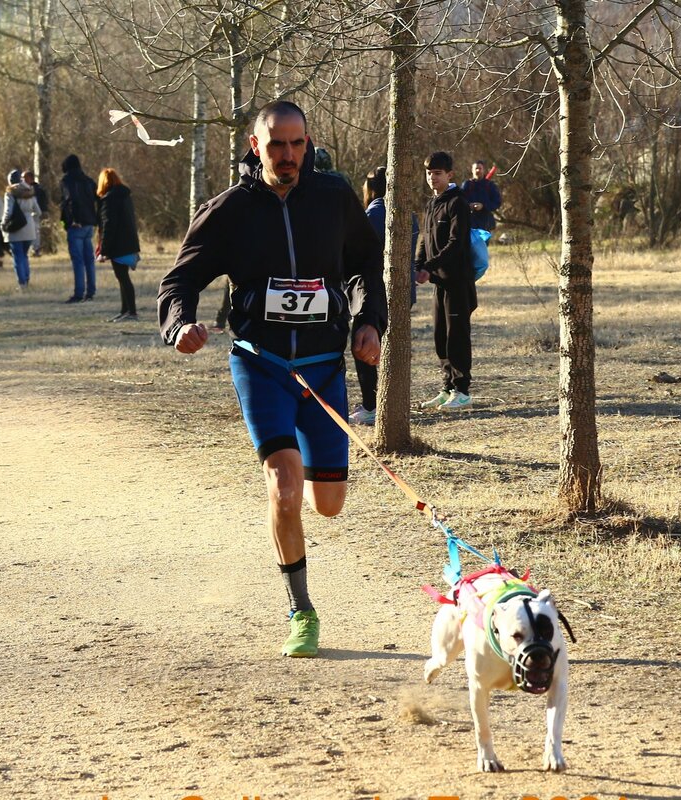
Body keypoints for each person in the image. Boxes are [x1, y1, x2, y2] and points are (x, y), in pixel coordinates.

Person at [157, 100, 386, 658]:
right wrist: (180, 324)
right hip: (261, 365)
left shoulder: (333, 197)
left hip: (323, 368)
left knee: (327, 503)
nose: (288, 155)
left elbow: (364, 266)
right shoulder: (229, 210)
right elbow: (179, 281)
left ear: (308, 144)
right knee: (284, 489)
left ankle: (301, 481)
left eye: (297, 143)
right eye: (277, 144)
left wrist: (369, 321)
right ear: (255, 145)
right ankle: (301, 611)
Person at [348, 166, 419, 425]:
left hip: (376, 293)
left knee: (363, 346)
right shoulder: (408, 214)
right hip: (404, 290)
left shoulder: (373, 213)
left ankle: (371, 404)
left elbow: (360, 255)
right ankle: (385, 403)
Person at [415, 151, 476, 411]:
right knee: (440, 336)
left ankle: (462, 391)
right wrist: (418, 264)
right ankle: (447, 387)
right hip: (439, 283)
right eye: (429, 173)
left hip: (458, 282)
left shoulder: (457, 202)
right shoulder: (432, 203)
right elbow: (425, 238)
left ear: (450, 174)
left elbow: (456, 243)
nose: (432, 178)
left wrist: (429, 267)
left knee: (456, 336)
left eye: (437, 173)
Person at [96, 168, 140, 321]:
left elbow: (108, 225)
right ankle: (125, 310)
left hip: (118, 244)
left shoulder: (109, 200)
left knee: (123, 278)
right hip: (129, 241)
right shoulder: (125, 196)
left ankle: (131, 311)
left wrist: (103, 250)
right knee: (122, 277)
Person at [60, 154, 98, 303]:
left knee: (78, 261)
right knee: (89, 260)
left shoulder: (67, 181)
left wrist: (73, 219)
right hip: (89, 223)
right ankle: (91, 291)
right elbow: (97, 199)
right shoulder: (88, 181)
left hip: (76, 225)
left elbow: (70, 200)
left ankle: (79, 292)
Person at [1, 169, 41, 289]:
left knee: (18, 257)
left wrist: (3, 224)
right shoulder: (30, 191)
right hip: (29, 228)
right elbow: (38, 211)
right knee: (24, 255)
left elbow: (8, 211)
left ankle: (22, 283)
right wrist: (31, 218)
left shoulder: (10, 193)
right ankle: (26, 280)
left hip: (15, 228)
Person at [460, 159, 501, 231]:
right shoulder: (466, 185)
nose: (478, 170)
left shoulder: (490, 185)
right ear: (472, 170)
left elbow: (497, 203)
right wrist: (469, 206)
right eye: (476, 168)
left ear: (483, 170)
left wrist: (483, 206)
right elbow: (459, 202)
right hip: (469, 224)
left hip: (485, 224)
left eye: (480, 168)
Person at [23, 170, 48, 256]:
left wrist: (42, 212)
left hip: (34, 214)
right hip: (33, 214)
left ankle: (35, 249)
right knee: (35, 232)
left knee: (35, 232)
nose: (22, 180)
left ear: (30, 178)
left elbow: (43, 202)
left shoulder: (34, 189)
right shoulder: (37, 188)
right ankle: (34, 249)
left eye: (24, 178)